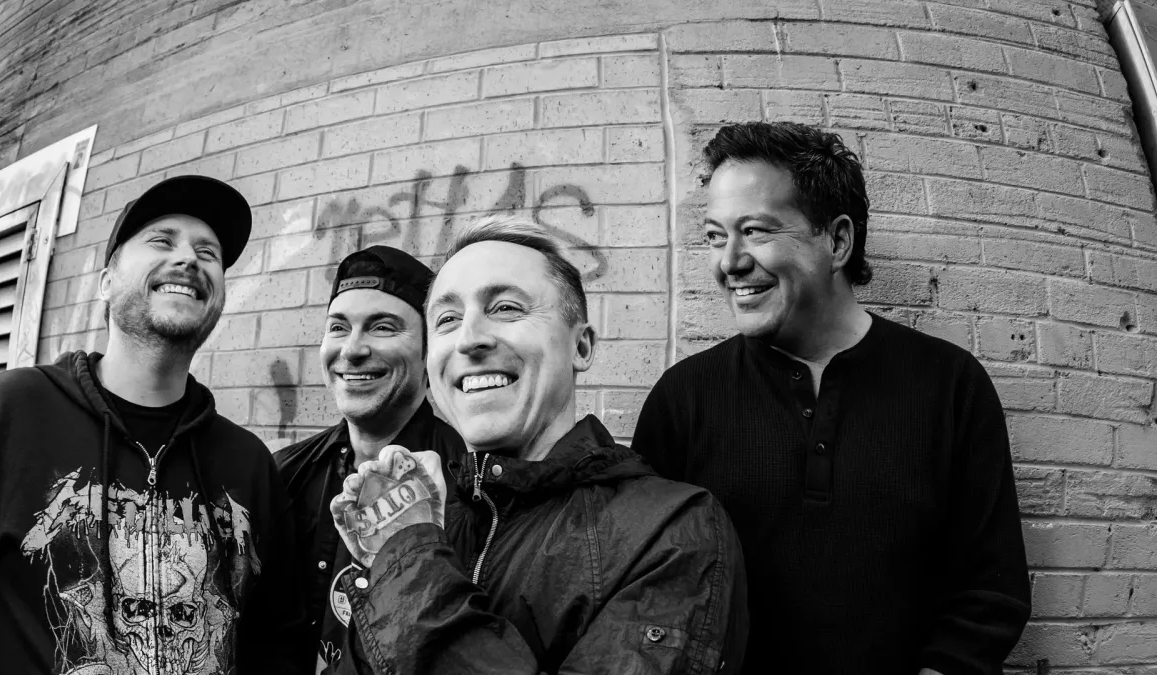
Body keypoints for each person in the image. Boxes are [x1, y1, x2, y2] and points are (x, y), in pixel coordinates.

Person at [632, 122, 1031, 674]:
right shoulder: (683, 398)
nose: (729, 262)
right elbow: (644, 590)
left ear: (838, 241)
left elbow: (990, 591)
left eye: (755, 231)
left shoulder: (950, 385)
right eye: (716, 236)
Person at [325, 215, 748, 674]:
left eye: (506, 308)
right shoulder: (425, 520)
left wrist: (409, 564)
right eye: (447, 320)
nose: (469, 339)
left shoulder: (672, 531)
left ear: (581, 347)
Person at [0, 175, 307, 674]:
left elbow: (278, 640)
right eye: (162, 241)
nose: (188, 259)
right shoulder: (13, 412)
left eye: (208, 253)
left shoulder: (247, 462)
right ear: (106, 282)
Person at [274, 246, 465, 673]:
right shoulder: (284, 474)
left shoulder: (469, 485)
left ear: (428, 350)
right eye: (338, 327)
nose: (353, 349)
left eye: (382, 327)